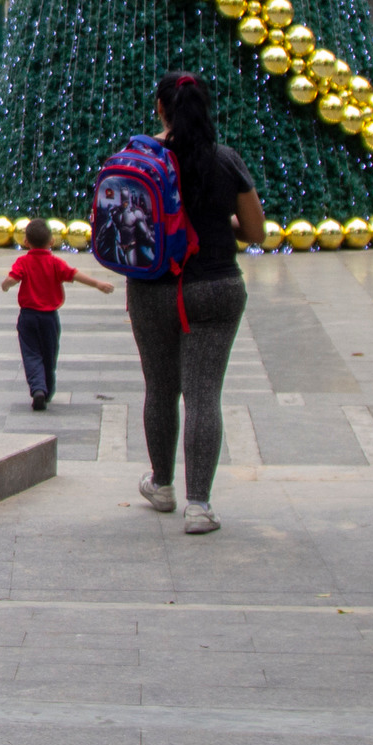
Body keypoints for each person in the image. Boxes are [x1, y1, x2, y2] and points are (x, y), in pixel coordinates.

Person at [127, 72, 267, 535]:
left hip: (152, 289)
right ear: (206, 106)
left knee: (160, 388)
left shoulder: (143, 159)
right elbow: (256, 232)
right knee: (204, 394)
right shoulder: (225, 161)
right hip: (215, 287)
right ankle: (200, 505)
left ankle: (161, 485)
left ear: (159, 108)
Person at [1, 219, 114, 411]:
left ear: (26, 242)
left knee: (31, 354)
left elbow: (12, 278)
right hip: (49, 318)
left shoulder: (23, 261)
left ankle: (37, 388)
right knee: (49, 354)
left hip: (28, 317)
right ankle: (47, 389)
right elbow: (75, 274)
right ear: (52, 241)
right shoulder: (55, 263)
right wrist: (97, 284)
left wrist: (6, 284)